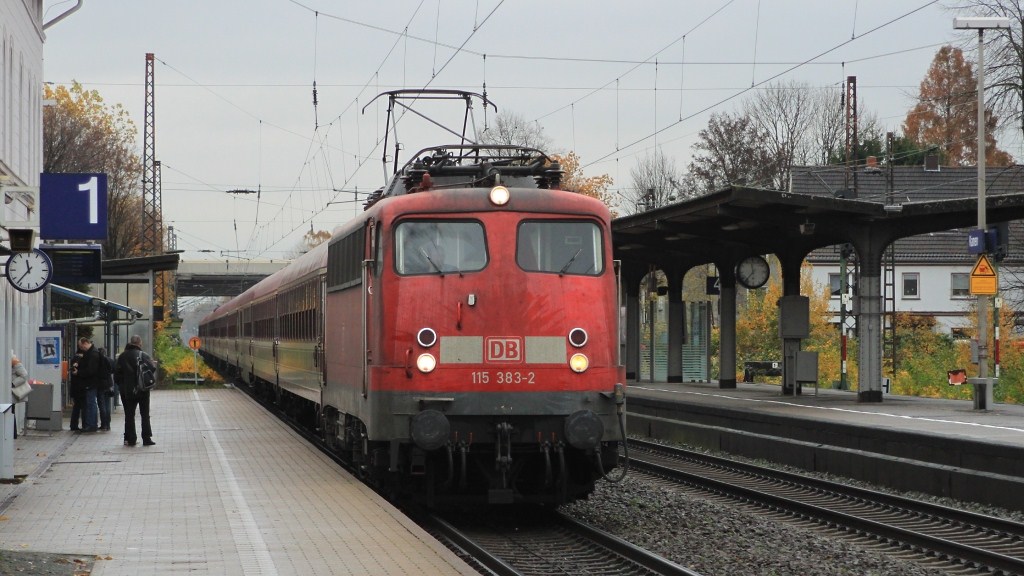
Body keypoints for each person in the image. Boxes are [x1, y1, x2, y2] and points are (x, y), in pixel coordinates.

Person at [114, 335, 155, 447]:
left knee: (129, 415)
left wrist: (123, 385)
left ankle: (131, 439)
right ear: (139, 343)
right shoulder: (143, 355)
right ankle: (146, 438)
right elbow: (152, 369)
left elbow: (116, 375)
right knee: (145, 414)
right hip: (143, 390)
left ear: (130, 342)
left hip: (128, 391)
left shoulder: (122, 356)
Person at [72, 337, 102, 432]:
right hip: (90, 382)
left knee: (91, 404)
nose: (81, 348)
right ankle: (90, 424)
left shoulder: (93, 354)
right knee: (90, 404)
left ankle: (91, 425)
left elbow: (90, 370)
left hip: (90, 383)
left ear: (85, 343)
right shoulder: (92, 352)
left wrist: (79, 372)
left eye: (81, 346)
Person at [96, 347, 115, 431]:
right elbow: (113, 370)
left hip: (100, 385)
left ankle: (104, 424)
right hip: (108, 384)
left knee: (102, 405)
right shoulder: (110, 360)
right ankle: (108, 424)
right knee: (107, 405)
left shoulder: (97, 361)